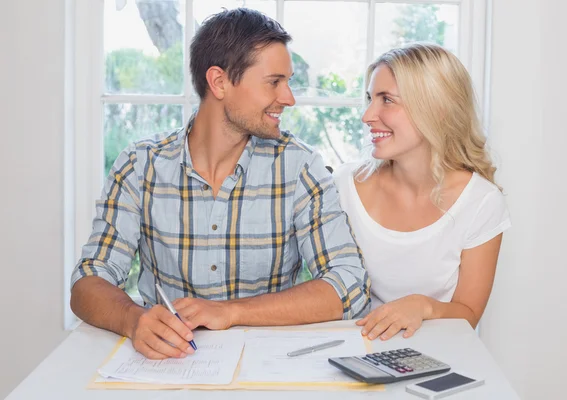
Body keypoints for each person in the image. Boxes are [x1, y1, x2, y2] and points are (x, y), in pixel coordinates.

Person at [71, 8, 370, 360]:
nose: (289, 98)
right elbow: (88, 283)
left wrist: (232, 311)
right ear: (219, 82)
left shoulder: (300, 166)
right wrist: (133, 320)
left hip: (268, 367)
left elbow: (350, 284)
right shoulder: (140, 166)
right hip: (166, 366)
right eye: (274, 82)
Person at [333, 43, 510, 341]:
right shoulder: (343, 185)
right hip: (353, 355)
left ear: (437, 108)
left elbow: (468, 313)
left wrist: (424, 306)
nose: (368, 115)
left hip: (438, 362)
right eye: (370, 99)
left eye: (387, 100)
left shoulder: (481, 202)